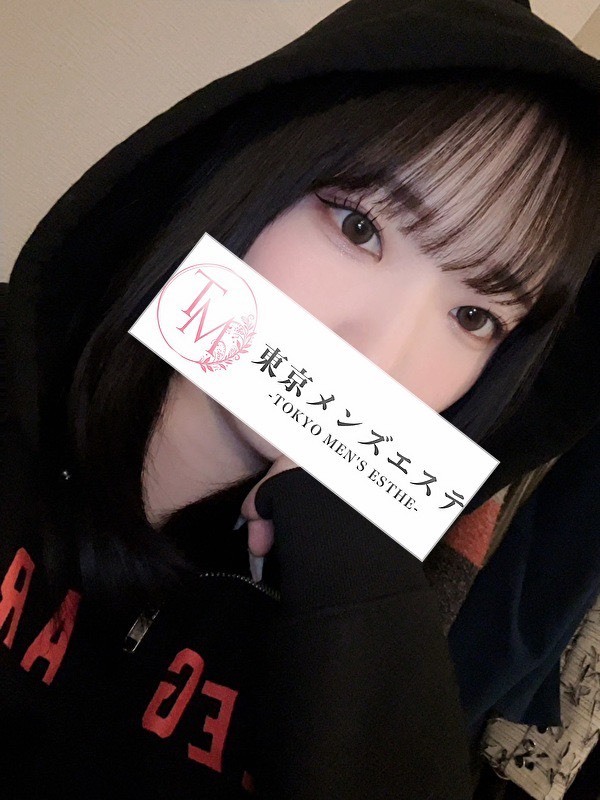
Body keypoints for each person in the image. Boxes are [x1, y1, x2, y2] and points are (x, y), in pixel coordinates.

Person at [1, 1, 599, 798]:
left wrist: (354, 606)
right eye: (358, 229)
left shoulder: (375, 624)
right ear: (255, 173)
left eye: (473, 317)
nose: (382, 358)